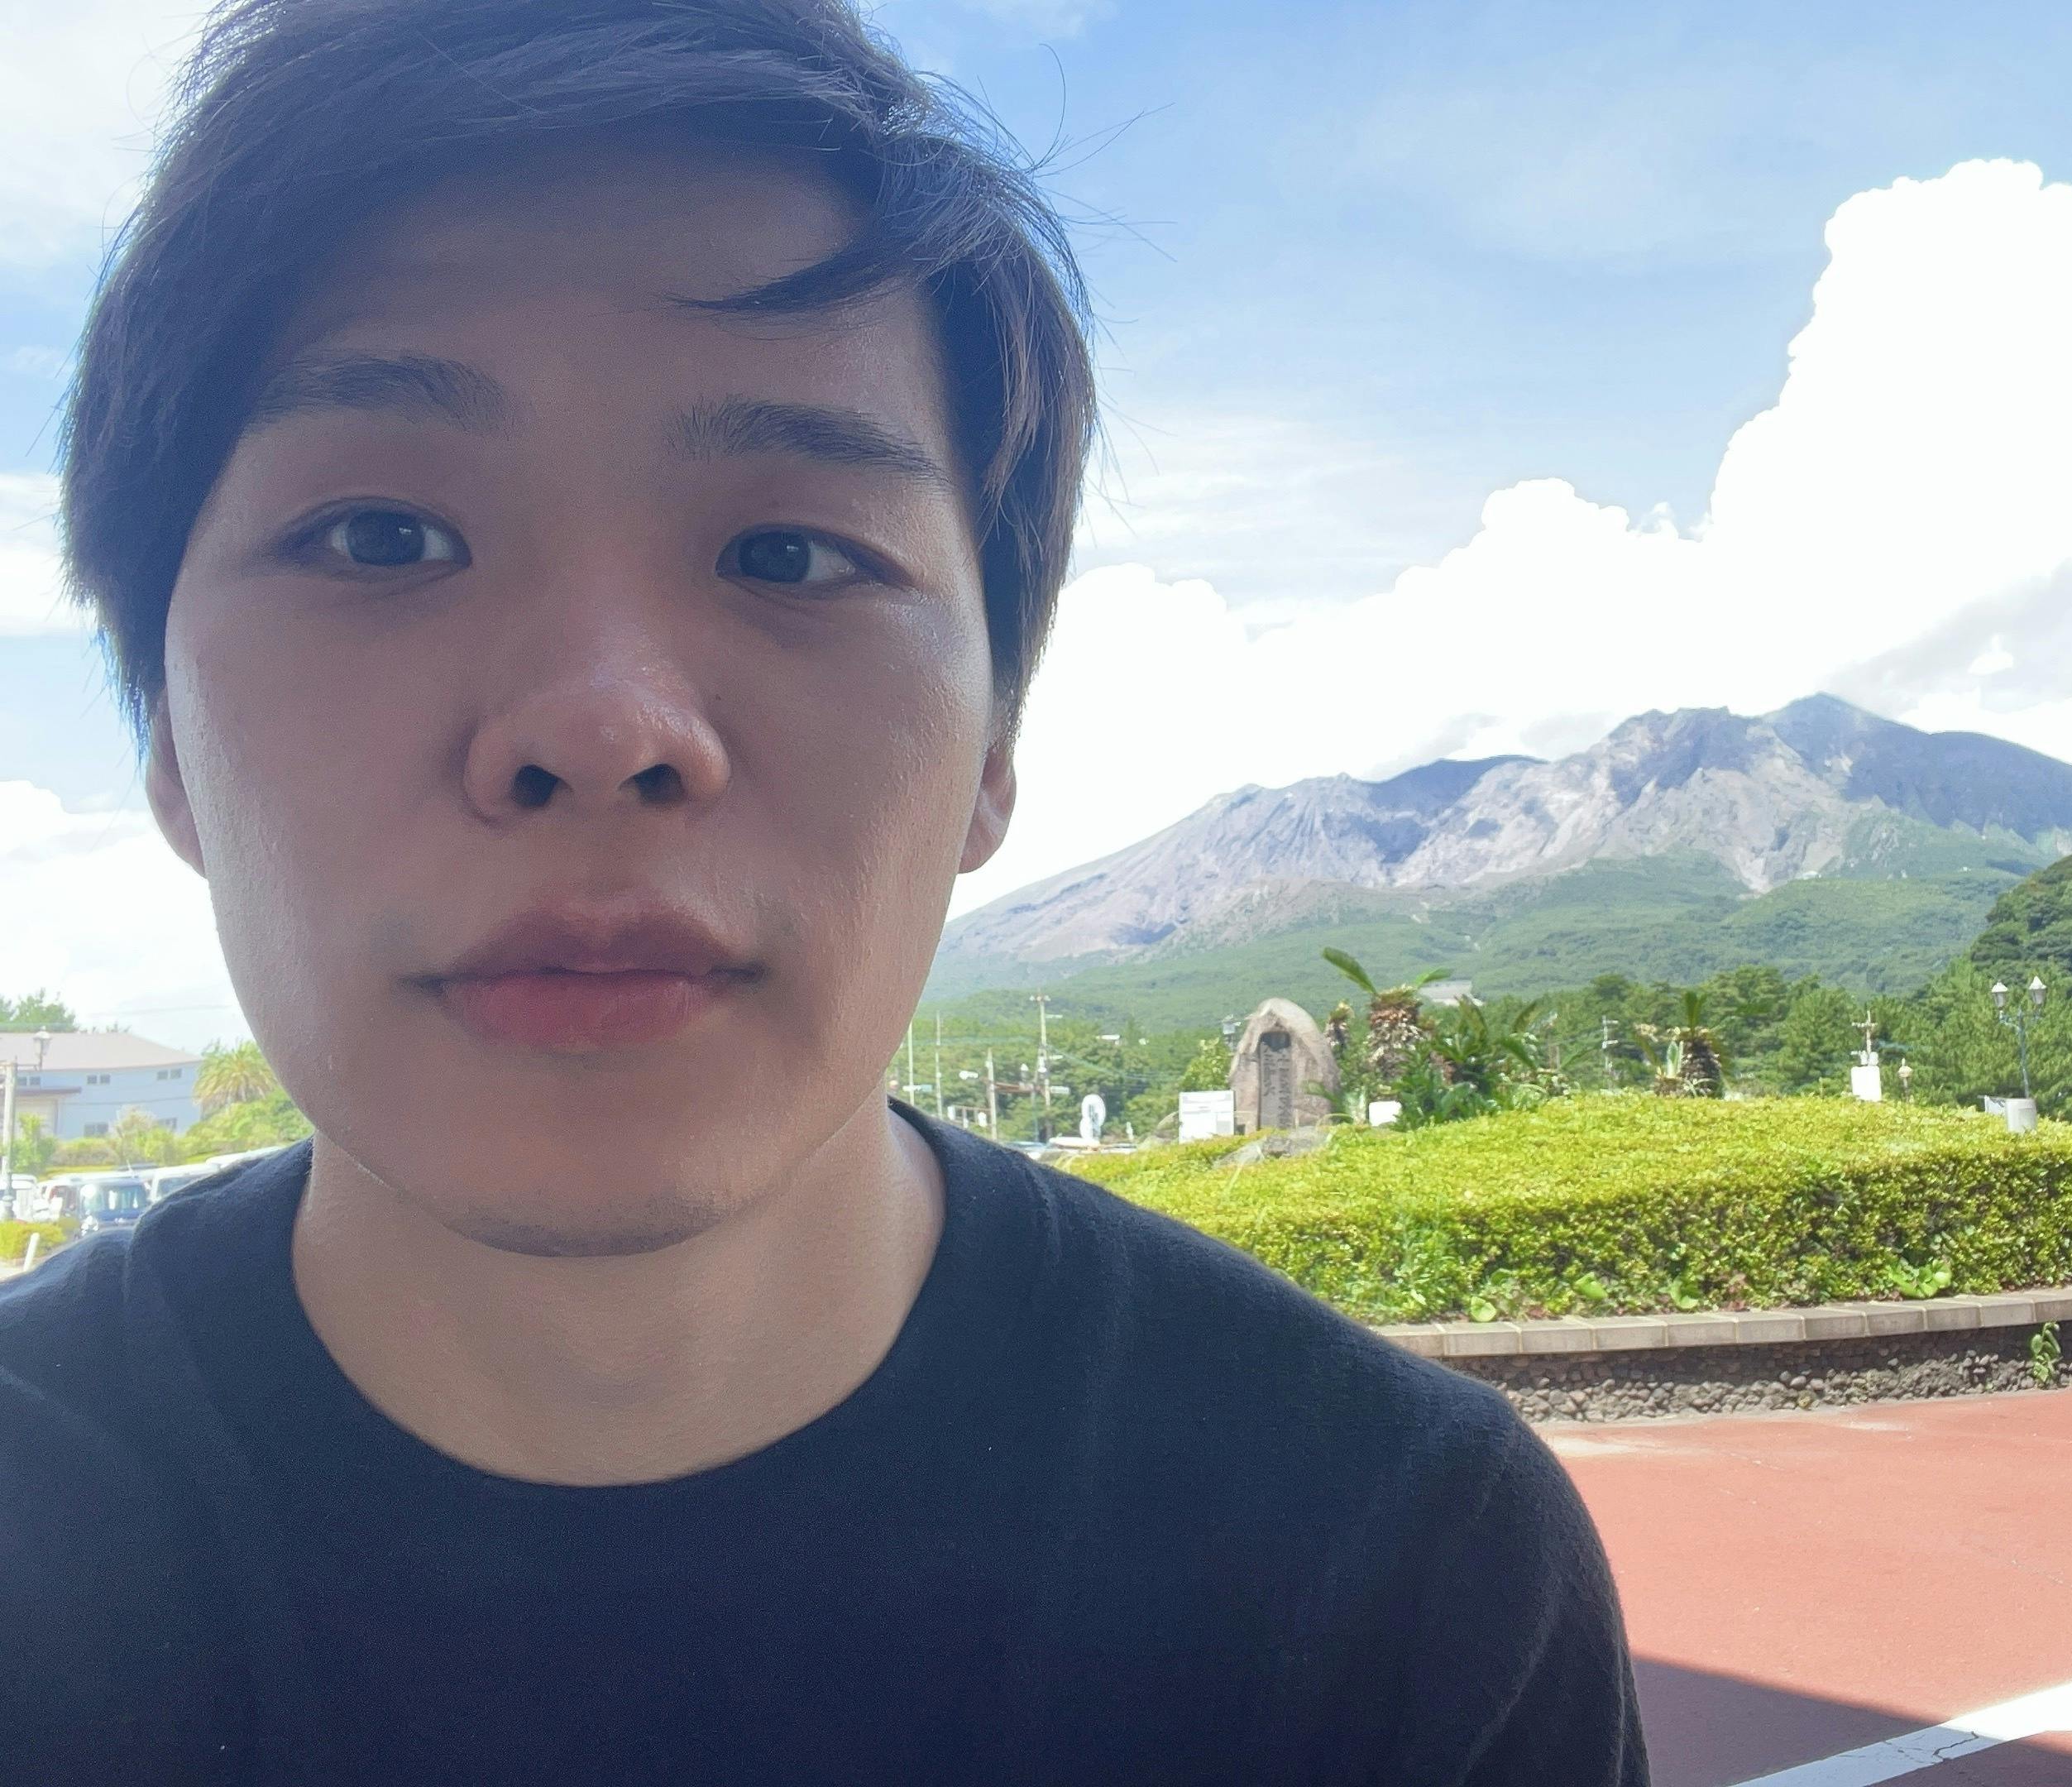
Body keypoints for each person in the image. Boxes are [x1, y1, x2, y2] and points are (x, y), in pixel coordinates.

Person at [0, 1, 1650, 1780]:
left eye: (788, 552)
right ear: (165, 737)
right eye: (383, 536)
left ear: (994, 745)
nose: (603, 730)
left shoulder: (1400, 1571)